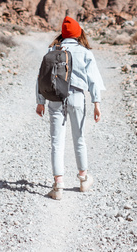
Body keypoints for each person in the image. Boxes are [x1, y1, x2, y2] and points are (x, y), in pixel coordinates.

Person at [35, 16, 105, 200]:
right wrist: (96, 104)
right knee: (79, 138)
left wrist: (40, 101)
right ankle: (83, 179)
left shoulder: (52, 50)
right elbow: (93, 81)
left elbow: (41, 77)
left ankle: (58, 185)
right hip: (77, 97)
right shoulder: (84, 52)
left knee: (56, 142)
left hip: (55, 99)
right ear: (78, 33)